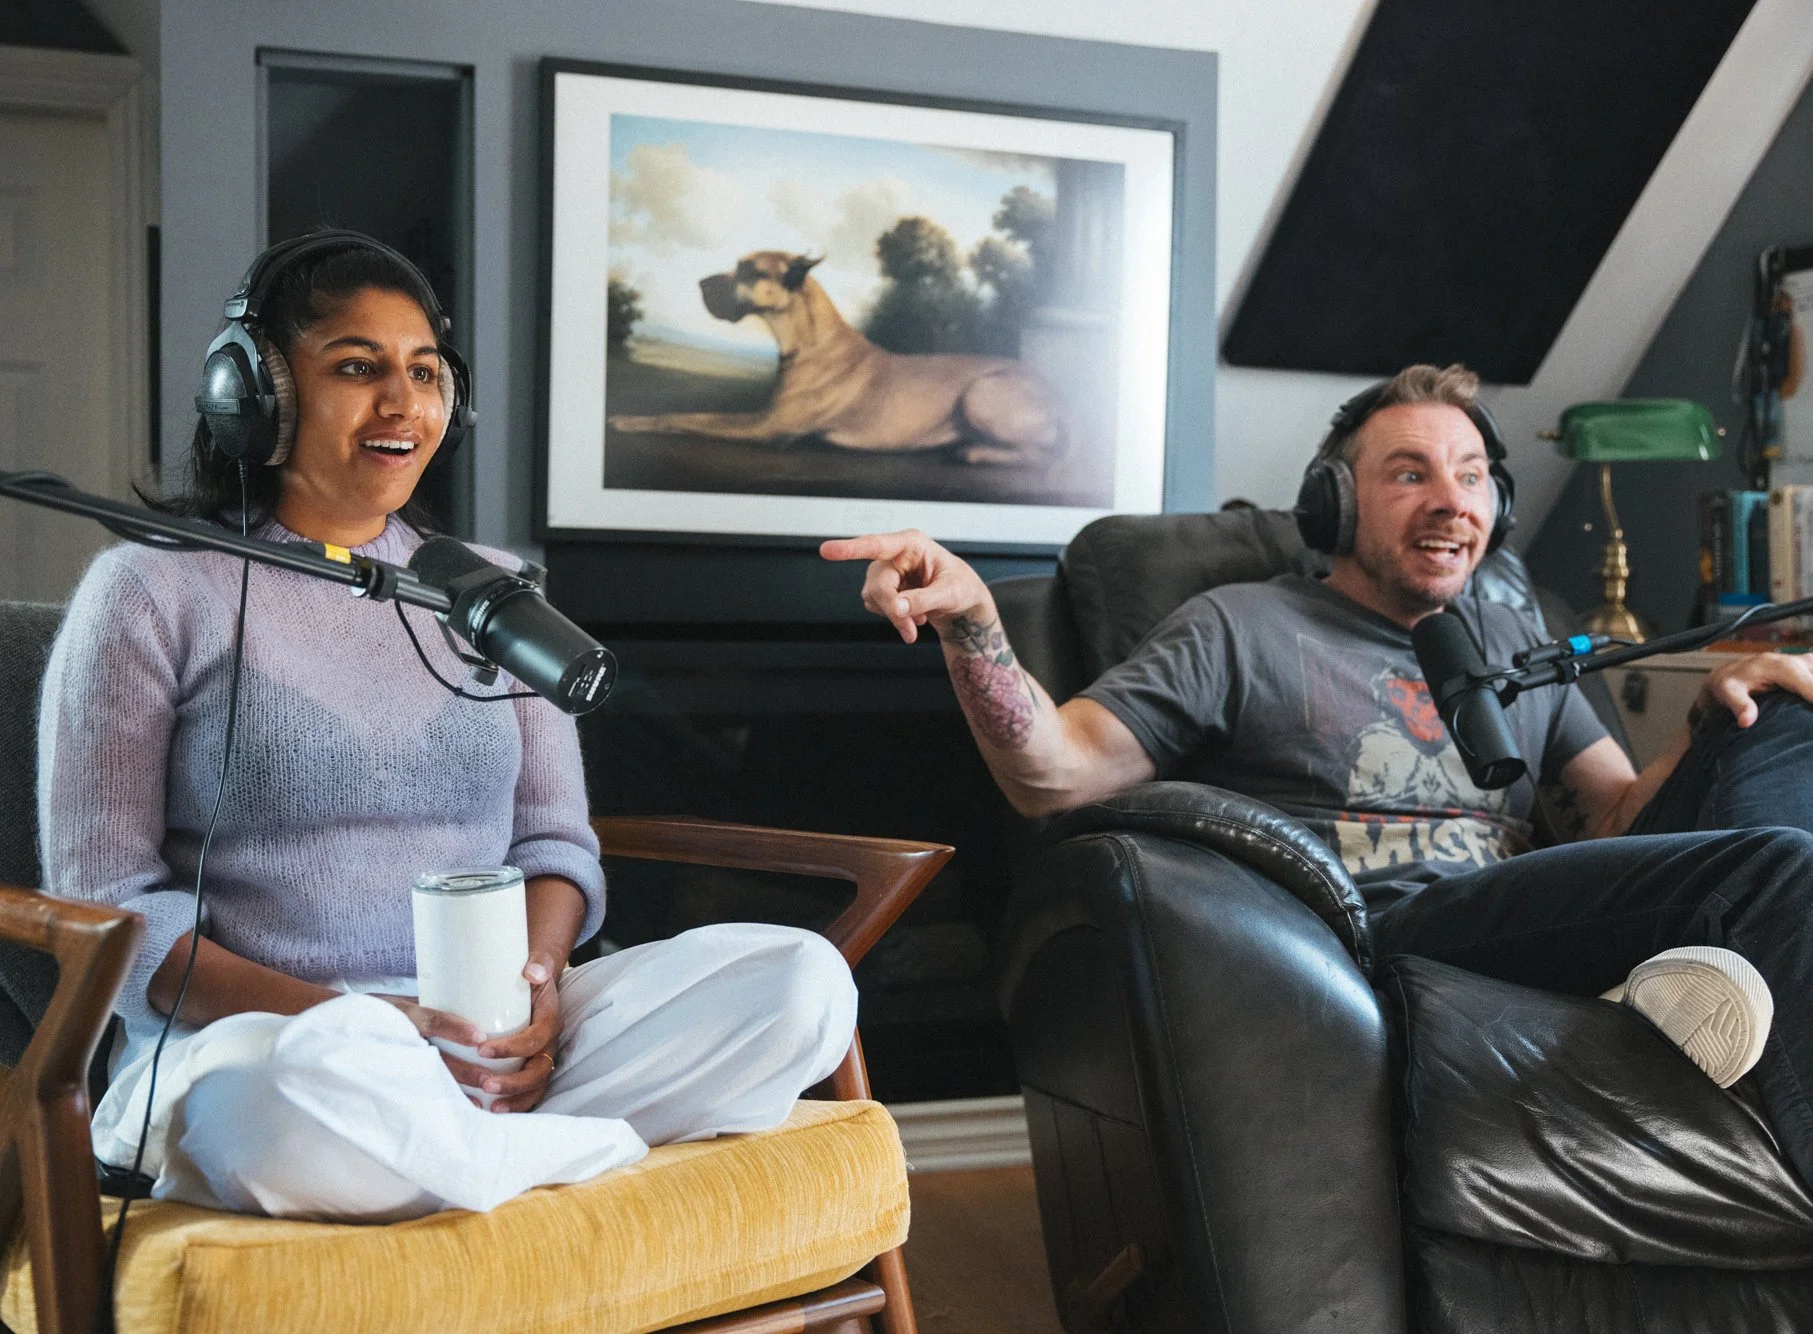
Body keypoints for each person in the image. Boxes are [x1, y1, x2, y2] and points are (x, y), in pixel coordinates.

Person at [824, 363, 1813, 1186]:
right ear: (1332, 503)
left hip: (1537, 916)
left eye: (1472, 476)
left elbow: (1613, 823)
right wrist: (973, 621)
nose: (1451, 500)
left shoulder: (1515, 640)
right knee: (1773, 870)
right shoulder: (1241, 626)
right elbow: (1053, 772)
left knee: (1773, 710)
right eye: (1410, 473)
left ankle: (1670, 1005)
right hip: (1386, 933)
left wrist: (1707, 720)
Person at [40, 232, 856, 1222]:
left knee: (801, 983)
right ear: (257, 395)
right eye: (357, 368)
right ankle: (564, 1156)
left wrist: (537, 995)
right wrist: (379, 1024)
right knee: (281, 1102)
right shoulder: (148, 590)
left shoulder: (494, 592)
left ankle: (467, 1154)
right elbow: (109, 909)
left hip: (488, 1036)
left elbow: (554, 845)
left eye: (425, 373)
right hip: (275, 1039)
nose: (403, 403)